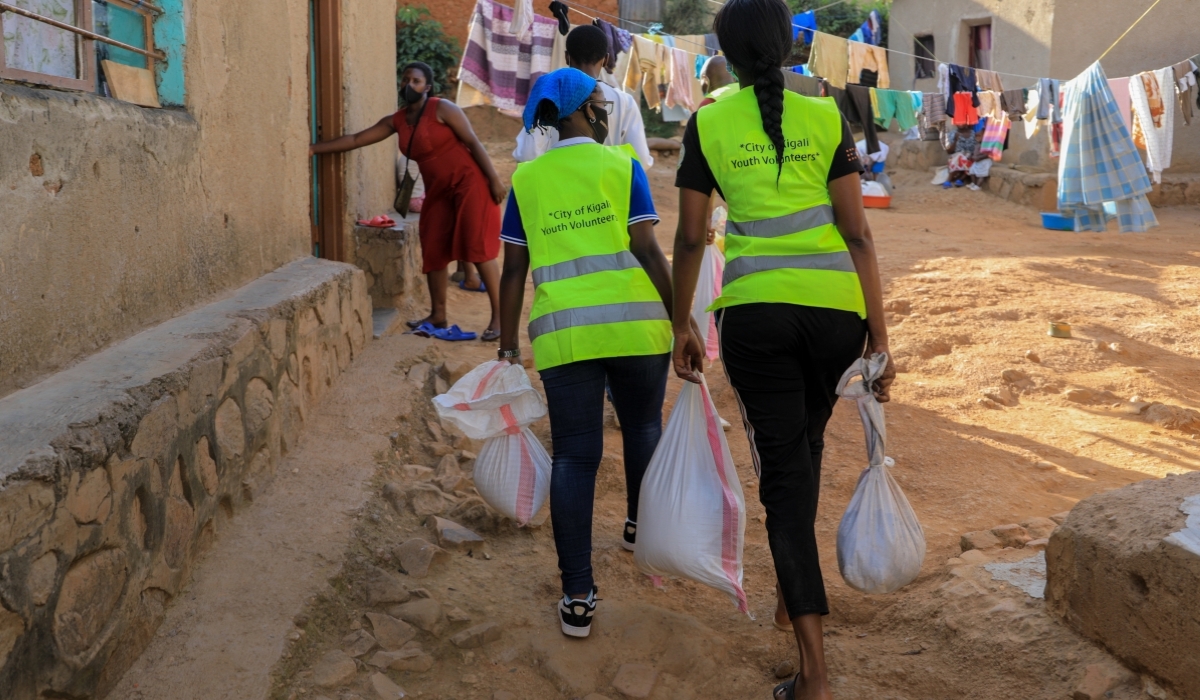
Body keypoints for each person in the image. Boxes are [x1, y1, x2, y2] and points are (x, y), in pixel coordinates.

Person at [669, 0, 895, 698]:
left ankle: (815, 675)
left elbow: (689, 237)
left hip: (757, 323)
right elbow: (858, 233)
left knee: (785, 482)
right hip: (835, 319)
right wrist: (880, 337)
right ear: (788, 45)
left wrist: (682, 322)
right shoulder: (828, 115)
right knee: (805, 446)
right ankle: (788, 599)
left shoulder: (708, 121)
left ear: (726, 53)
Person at [497, 68, 690, 639]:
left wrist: (508, 346)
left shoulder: (527, 181)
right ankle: (639, 527)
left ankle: (577, 594)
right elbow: (650, 252)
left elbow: (513, 272)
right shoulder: (622, 167)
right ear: (584, 112)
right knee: (642, 430)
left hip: (565, 338)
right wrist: (682, 324)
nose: (607, 111)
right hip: (637, 331)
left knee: (575, 458)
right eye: (601, 104)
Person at [310, 62, 505, 340]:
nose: (408, 85)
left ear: (427, 87)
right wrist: (313, 149)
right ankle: (438, 315)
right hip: (438, 191)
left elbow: (473, 142)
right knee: (434, 246)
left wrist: (495, 180)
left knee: (477, 247)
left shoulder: (443, 108)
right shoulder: (397, 120)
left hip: (469, 184)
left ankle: (500, 319)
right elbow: (356, 139)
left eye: (415, 81)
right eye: (405, 80)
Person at [513, 25, 654, 168]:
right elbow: (640, 161)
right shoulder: (625, 102)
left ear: (567, 57)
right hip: (608, 188)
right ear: (605, 60)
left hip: (557, 187)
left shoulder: (550, 95)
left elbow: (527, 155)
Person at [944, 122, 989, 190]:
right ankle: (948, 180)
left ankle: (961, 179)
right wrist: (955, 140)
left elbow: (977, 147)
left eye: (963, 121)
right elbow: (949, 151)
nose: (960, 123)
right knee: (960, 157)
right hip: (956, 157)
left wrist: (973, 155)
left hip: (969, 156)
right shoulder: (952, 134)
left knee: (971, 160)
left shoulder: (974, 134)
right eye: (959, 121)